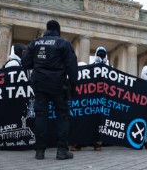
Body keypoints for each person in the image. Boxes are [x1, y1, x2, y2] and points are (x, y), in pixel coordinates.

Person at [21, 20, 78, 160]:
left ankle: (39, 151)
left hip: (39, 84)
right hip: (59, 85)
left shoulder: (35, 43)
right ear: (58, 30)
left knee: (41, 116)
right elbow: (72, 66)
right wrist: (73, 85)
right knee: (62, 117)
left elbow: (25, 62)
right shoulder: (64, 43)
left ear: (47, 30)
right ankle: (61, 151)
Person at [70, 46, 109, 152]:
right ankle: (79, 142)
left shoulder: (110, 70)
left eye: (103, 54)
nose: (101, 56)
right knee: (85, 120)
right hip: (90, 100)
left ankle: (97, 143)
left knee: (99, 121)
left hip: (101, 102)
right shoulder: (89, 68)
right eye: (99, 54)